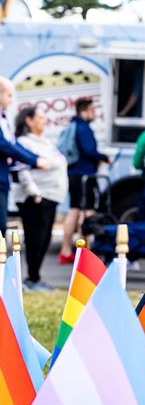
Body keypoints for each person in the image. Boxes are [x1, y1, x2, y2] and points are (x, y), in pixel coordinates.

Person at [13, 106, 67, 291]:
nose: (45, 120)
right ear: (29, 120)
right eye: (41, 117)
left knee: (45, 238)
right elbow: (21, 169)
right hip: (36, 198)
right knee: (35, 238)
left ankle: (35, 277)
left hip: (52, 196)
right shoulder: (23, 143)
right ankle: (31, 279)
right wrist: (33, 192)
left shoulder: (45, 142)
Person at [59, 96, 107, 262]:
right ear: (84, 111)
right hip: (85, 175)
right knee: (87, 211)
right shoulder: (84, 128)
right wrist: (104, 157)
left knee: (74, 209)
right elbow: (89, 150)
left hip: (74, 174)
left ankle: (66, 251)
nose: (95, 113)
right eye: (93, 110)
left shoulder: (73, 125)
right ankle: (84, 253)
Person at [0, 78, 50, 234]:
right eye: (9, 95)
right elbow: (4, 145)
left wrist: (35, 158)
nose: (11, 99)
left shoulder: (3, 119)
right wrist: (34, 160)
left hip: (3, 179)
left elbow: (12, 144)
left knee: (2, 227)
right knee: (1, 229)